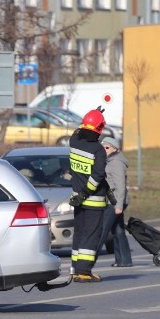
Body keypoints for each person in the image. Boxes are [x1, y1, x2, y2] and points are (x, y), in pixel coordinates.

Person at [68, 107, 109, 283]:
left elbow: (77, 132)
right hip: (92, 199)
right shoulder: (98, 150)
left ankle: (75, 268)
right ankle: (84, 271)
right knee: (91, 234)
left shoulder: (74, 142)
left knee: (79, 233)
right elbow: (98, 176)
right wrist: (86, 192)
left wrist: (91, 115)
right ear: (99, 130)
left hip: (77, 197)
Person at [97, 136, 133, 267]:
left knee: (103, 230)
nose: (104, 150)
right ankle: (124, 260)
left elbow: (120, 186)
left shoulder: (116, 162)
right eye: (102, 148)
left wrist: (118, 206)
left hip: (114, 201)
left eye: (106, 148)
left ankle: (88, 261)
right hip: (114, 201)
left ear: (114, 149)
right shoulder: (109, 160)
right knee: (118, 231)